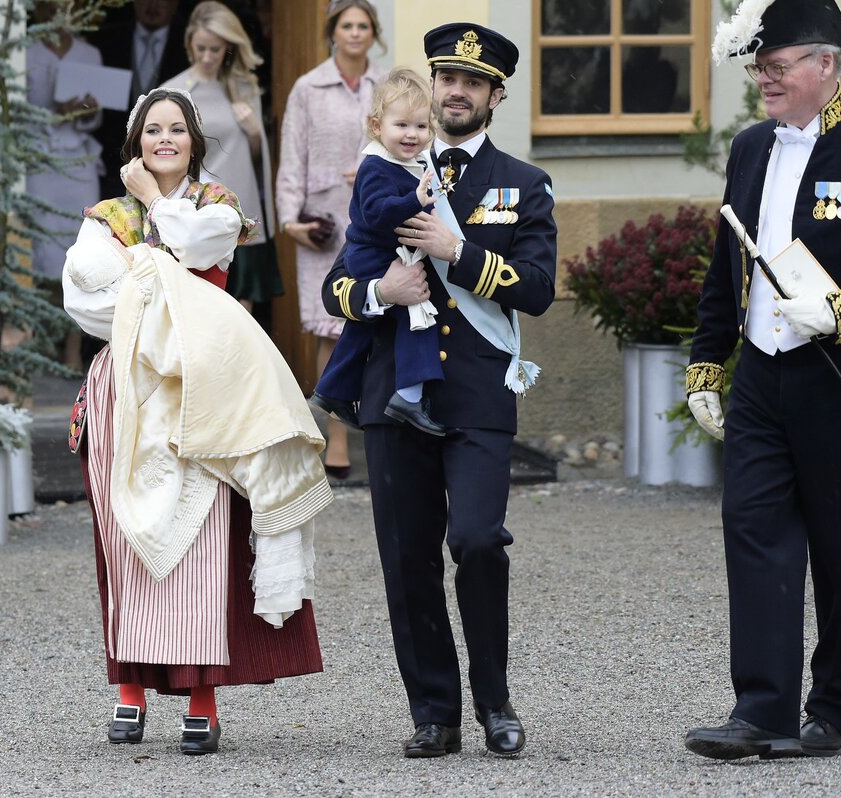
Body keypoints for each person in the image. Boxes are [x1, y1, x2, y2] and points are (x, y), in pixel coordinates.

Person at [63, 87, 330, 756]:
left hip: (204, 386)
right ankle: (129, 693)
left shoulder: (219, 206)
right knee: (127, 543)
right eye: (151, 130)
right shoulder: (103, 217)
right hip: (127, 387)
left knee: (201, 544)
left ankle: (202, 703)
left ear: (194, 141)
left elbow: (194, 247)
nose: (163, 140)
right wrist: (159, 276)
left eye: (175, 129)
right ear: (134, 143)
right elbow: (83, 300)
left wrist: (149, 237)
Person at [321, 23, 557, 758]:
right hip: (395, 391)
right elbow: (337, 287)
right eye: (445, 78)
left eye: (471, 82)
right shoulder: (385, 166)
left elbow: (541, 289)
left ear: (495, 95)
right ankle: (435, 713)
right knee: (407, 555)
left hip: (480, 391)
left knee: (478, 541)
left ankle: (495, 702)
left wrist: (461, 251)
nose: (455, 91)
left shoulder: (522, 183)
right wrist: (380, 292)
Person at [683, 0, 841, 761]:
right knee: (754, 532)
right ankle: (760, 708)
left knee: (839, 545)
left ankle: (834, 708)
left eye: (778, 64)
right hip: (762, 373)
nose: (763, 78)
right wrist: (706, 360)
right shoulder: (753, 147)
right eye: (758, 66)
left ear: (827, 65)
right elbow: (725, 265)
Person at [276, 0, 384, 479]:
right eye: (347, 25)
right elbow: (291, 154)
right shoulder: (308, 87)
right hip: (323, 220)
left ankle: (385, 426)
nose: (355, 33)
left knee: (376, 322)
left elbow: (412, 139)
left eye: (363, 26)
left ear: (373, 33)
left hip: (378, 220)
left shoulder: (387, 87)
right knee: (331, 327)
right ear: (333, 33)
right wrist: (288, 219)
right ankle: (332, 435)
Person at [310, 67, 443, 435]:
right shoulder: (375, 165)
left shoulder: (409, 163)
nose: (412, 135)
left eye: (421, 126)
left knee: (360, 329)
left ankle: (331, 391)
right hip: (372, 256)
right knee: (416, 316)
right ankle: (409, 396)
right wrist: (413, 200)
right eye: (402, 125)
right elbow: (376, 213)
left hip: (381, 253)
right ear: (375, 126)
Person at [163, 1, 283, 316]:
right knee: (197, 307)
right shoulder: (172, 92)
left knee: (241, 312)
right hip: (196, 212)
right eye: (200, 48)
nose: (207, 57)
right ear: (189, 43)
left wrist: (255, 133)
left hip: (240, 209)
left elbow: (257, 161)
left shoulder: (245, 86)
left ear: (228, 46)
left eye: (215, 49)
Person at [25, 1, 103, 366]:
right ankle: (41, 342)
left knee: (81, 248)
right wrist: (51, 113)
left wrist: (87, 110)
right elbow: (15, 114)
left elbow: (100, 112)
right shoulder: (24, 51)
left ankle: (72, 350)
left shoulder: (90, 53)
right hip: (39, 162)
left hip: (79, 162)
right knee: (43, 251)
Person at [90, 0, 190, 199]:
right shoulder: (106, 40)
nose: (152, 5)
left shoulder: (188, 45)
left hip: (169, 168)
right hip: (113, 161)